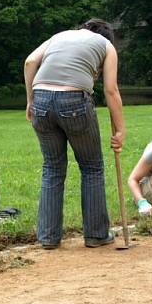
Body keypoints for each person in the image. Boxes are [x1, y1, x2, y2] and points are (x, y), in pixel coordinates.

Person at [24, 18, 125, 249]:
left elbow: (30, 62)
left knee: (52, 167)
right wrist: (120, 130)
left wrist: (30, 100)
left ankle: (48, 238)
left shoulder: (59, 36)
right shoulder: (106, 45)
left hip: (41, 99)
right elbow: (111, 90)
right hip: (74, 101)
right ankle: (96, 235)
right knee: (91, 167)